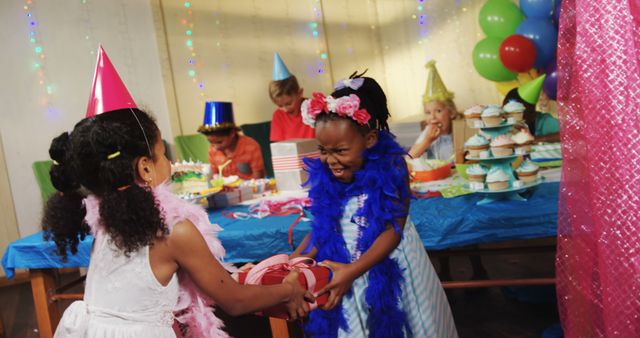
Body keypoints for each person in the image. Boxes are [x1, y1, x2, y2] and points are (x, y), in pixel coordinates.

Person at [47, 47, 311, 338]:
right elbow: (234, 301)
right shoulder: (174, 231)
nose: (170, 163)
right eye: (163, 155)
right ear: (146, 168)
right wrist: (288, 289)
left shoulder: (105, 219)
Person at [291, 75, 458, 337]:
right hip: (341, 271)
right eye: (324, 150)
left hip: (389, 268)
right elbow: (324, 229)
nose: (331, 160)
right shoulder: (330, 176)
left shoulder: (392, 166)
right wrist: (294, 262)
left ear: (369, 139)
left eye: (341, 151)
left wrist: (352, 272)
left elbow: (393, 229)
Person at [198, 101, 265, 179]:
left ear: (232, 133)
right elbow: (214, 176)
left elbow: (258, 177)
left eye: (219, 142)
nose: (216, 147)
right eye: (211, 142)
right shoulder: (212, 150)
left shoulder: (251, 147)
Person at [409, 60, 459, 160]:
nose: (432, 117)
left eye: (438, 111)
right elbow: (410, 157)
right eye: (428, 113)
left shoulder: (459, 129)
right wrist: (428, 140)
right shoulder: (427, 132)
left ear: (451, 112)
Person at [268, 52, 315, 142]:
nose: (285, 109)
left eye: (288, 103)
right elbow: (279, 147)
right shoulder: (278, 115)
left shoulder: (314, 108)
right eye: (280, 106)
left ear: (300, 93)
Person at [502, 76, 560, 143]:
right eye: (508, 113)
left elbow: (566, 134)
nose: (512, 116)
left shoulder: (543, 121)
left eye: (518, 112)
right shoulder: (502, 124)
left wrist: (534, 139)